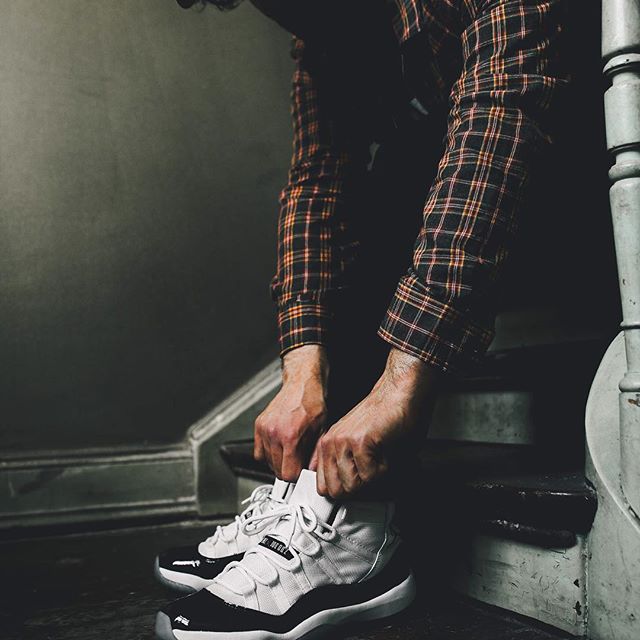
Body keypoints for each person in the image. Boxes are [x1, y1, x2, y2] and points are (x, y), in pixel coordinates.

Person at [155, 1, 569, 638]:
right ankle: (312, 511)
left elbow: (498, 128)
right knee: (359, 198)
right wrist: (301, 374)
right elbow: (316, 182)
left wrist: (399, 385)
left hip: (570, 169)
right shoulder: (320, 35)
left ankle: (351, 534)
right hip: (470, 156)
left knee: (408, 179)